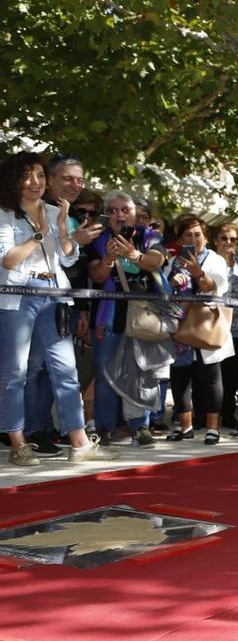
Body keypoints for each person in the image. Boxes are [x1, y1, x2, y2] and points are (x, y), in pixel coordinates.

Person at [0, 152, 114, 466]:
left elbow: (67, 258)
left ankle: (79, 442)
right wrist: (42, 234)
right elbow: (9, 259)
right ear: (14, 180)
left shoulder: (54, 210)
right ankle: (17, 442)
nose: (35, 182)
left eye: (39, 175)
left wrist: (63, 228)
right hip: (17, 297)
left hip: (54, 295)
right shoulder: (5, 213)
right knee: (15, 373)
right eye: (27, 176)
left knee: (66, 370)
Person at [23, 156, 101, 456]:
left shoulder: (65, 214)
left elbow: (69, 264)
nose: (75, 185)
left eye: (79, 179)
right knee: (29, 370)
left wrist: (80, 308)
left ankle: (68, 436)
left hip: (60, 299)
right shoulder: (23, 210)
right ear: (50, 179)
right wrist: (71, 240)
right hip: (25, 299)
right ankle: (28, 432)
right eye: (68, 178)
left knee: (60, 370)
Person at [86, 190, 168, 446]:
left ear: (135, 214)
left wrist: (134, 255)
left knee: (142, 372)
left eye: (125, 210)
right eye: (113, 210)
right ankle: (105, 428)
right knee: (105, 374)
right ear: (107, 215)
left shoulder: (149, 235)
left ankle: (140, 426)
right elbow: (98, 276)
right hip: (109, 315)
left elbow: (156, 261)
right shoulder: (97, 240)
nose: (119, 215)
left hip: (143, 314)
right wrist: (109, 258)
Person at [165, 218, 233, 445]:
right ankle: (185, 427)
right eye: (187, 235)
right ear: (179, 239)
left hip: (206, 324)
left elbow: (215, 286)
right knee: (180, 376)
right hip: (179, 325)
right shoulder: (173, 261)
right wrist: (172, 281)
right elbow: (162, 289)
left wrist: (198, 273)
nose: (193, 240)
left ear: (205, 237)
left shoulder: (216, 260)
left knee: (211, 376)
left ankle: (213, 428)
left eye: (197, 235)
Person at [213, 222, 238, 433]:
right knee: (208, 373)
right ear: (216, 240)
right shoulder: (206, 262)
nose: (228, 242)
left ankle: (227, 413)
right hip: (208, 326)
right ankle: (205, 414)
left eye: (233, 239)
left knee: (230, 374)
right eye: (224, 238)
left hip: (235, 329)